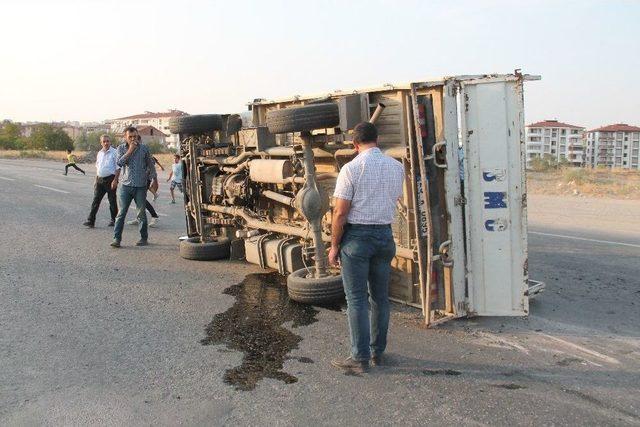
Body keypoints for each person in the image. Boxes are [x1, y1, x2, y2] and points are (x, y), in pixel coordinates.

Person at [328, 122, 405, 373]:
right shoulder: (396, 167)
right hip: (385, 236)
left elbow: (340, 213)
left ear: (354, 144)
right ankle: (376, 353)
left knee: (357, 299)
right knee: (380, 299)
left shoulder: (351, 169)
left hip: (358, 239)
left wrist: (334, 245)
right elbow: (395, 199)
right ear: (377, 139)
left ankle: (359, 358)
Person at [111, 126, 158, 248]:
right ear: (125, 137)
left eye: (135, 136)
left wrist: (155, 179)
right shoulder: (121, 148)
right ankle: (117, 239)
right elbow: (119, 163)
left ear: (138, 136)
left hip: (140, 186)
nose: (133, 139)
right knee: (121, 213)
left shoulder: (144, 149)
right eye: (130, 137)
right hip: (125, 186)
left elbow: (151, 165)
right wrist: (130, 150)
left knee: (141, 213)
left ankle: (143, 238)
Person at [83, 135, 120, 228]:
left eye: (107, 141)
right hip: (100, 179)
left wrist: (115, 180)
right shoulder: (99, 153)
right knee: (96, 200)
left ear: (110, 142)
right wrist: (96, 180)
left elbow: (118, 167)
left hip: (110, 179)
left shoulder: (115, 152)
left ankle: (114, 220)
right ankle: (91, 221)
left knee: (112, 200)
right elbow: (98, 167)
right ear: (101, 143)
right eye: (104, 141)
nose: (106, 143)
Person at [127, 149, 163, 227]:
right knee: (138, 199)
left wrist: (154, 180)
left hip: (145, 180)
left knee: (141, 199)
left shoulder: (148, 156)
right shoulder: (138, 154)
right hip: (138, 180)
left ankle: (154, 216)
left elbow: (151, 169)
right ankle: (139, 217)